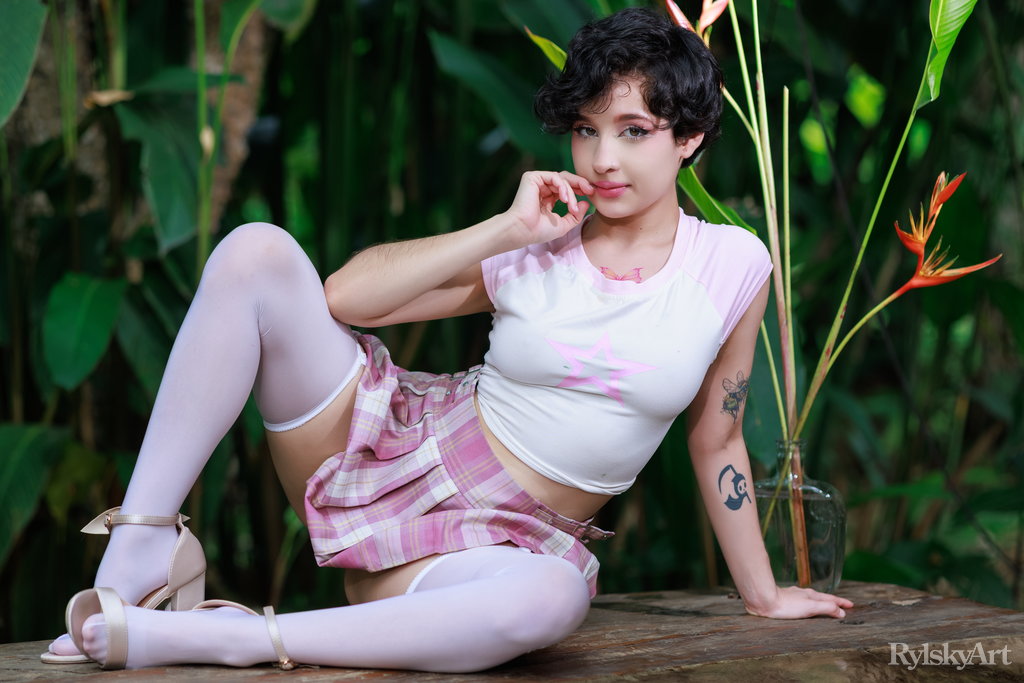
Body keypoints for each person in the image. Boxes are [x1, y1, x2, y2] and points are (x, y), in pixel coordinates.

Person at [43, 6, 852, 673]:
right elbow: (344, 298)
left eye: (634, 130)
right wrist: (505, 229)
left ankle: (236, 637)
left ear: (690, 136)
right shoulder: (542, 238)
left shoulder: (733, 265)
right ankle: (139, 546)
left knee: (553, 598)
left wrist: (764, 593)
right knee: (256, 253)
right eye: (585, 129)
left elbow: (717, 438)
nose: (603, 158)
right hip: (388, 451)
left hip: (488, 552)